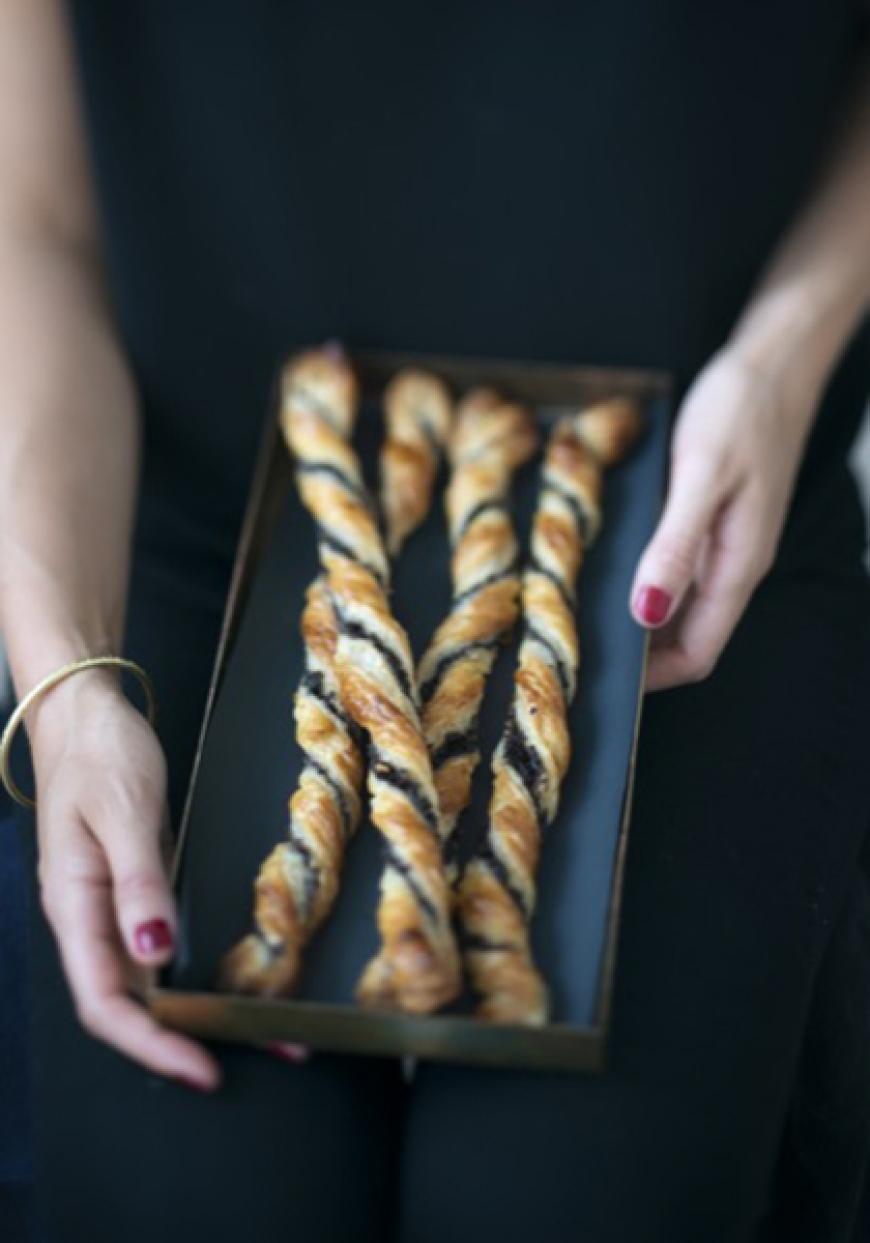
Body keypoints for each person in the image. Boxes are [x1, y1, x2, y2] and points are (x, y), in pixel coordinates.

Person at [1, 1, 870, 1240]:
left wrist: (784, 359)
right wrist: (64, 684)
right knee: (199, 1200)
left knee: (565, 1205)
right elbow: (29, 220)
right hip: (182, 512)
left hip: (705, 513)